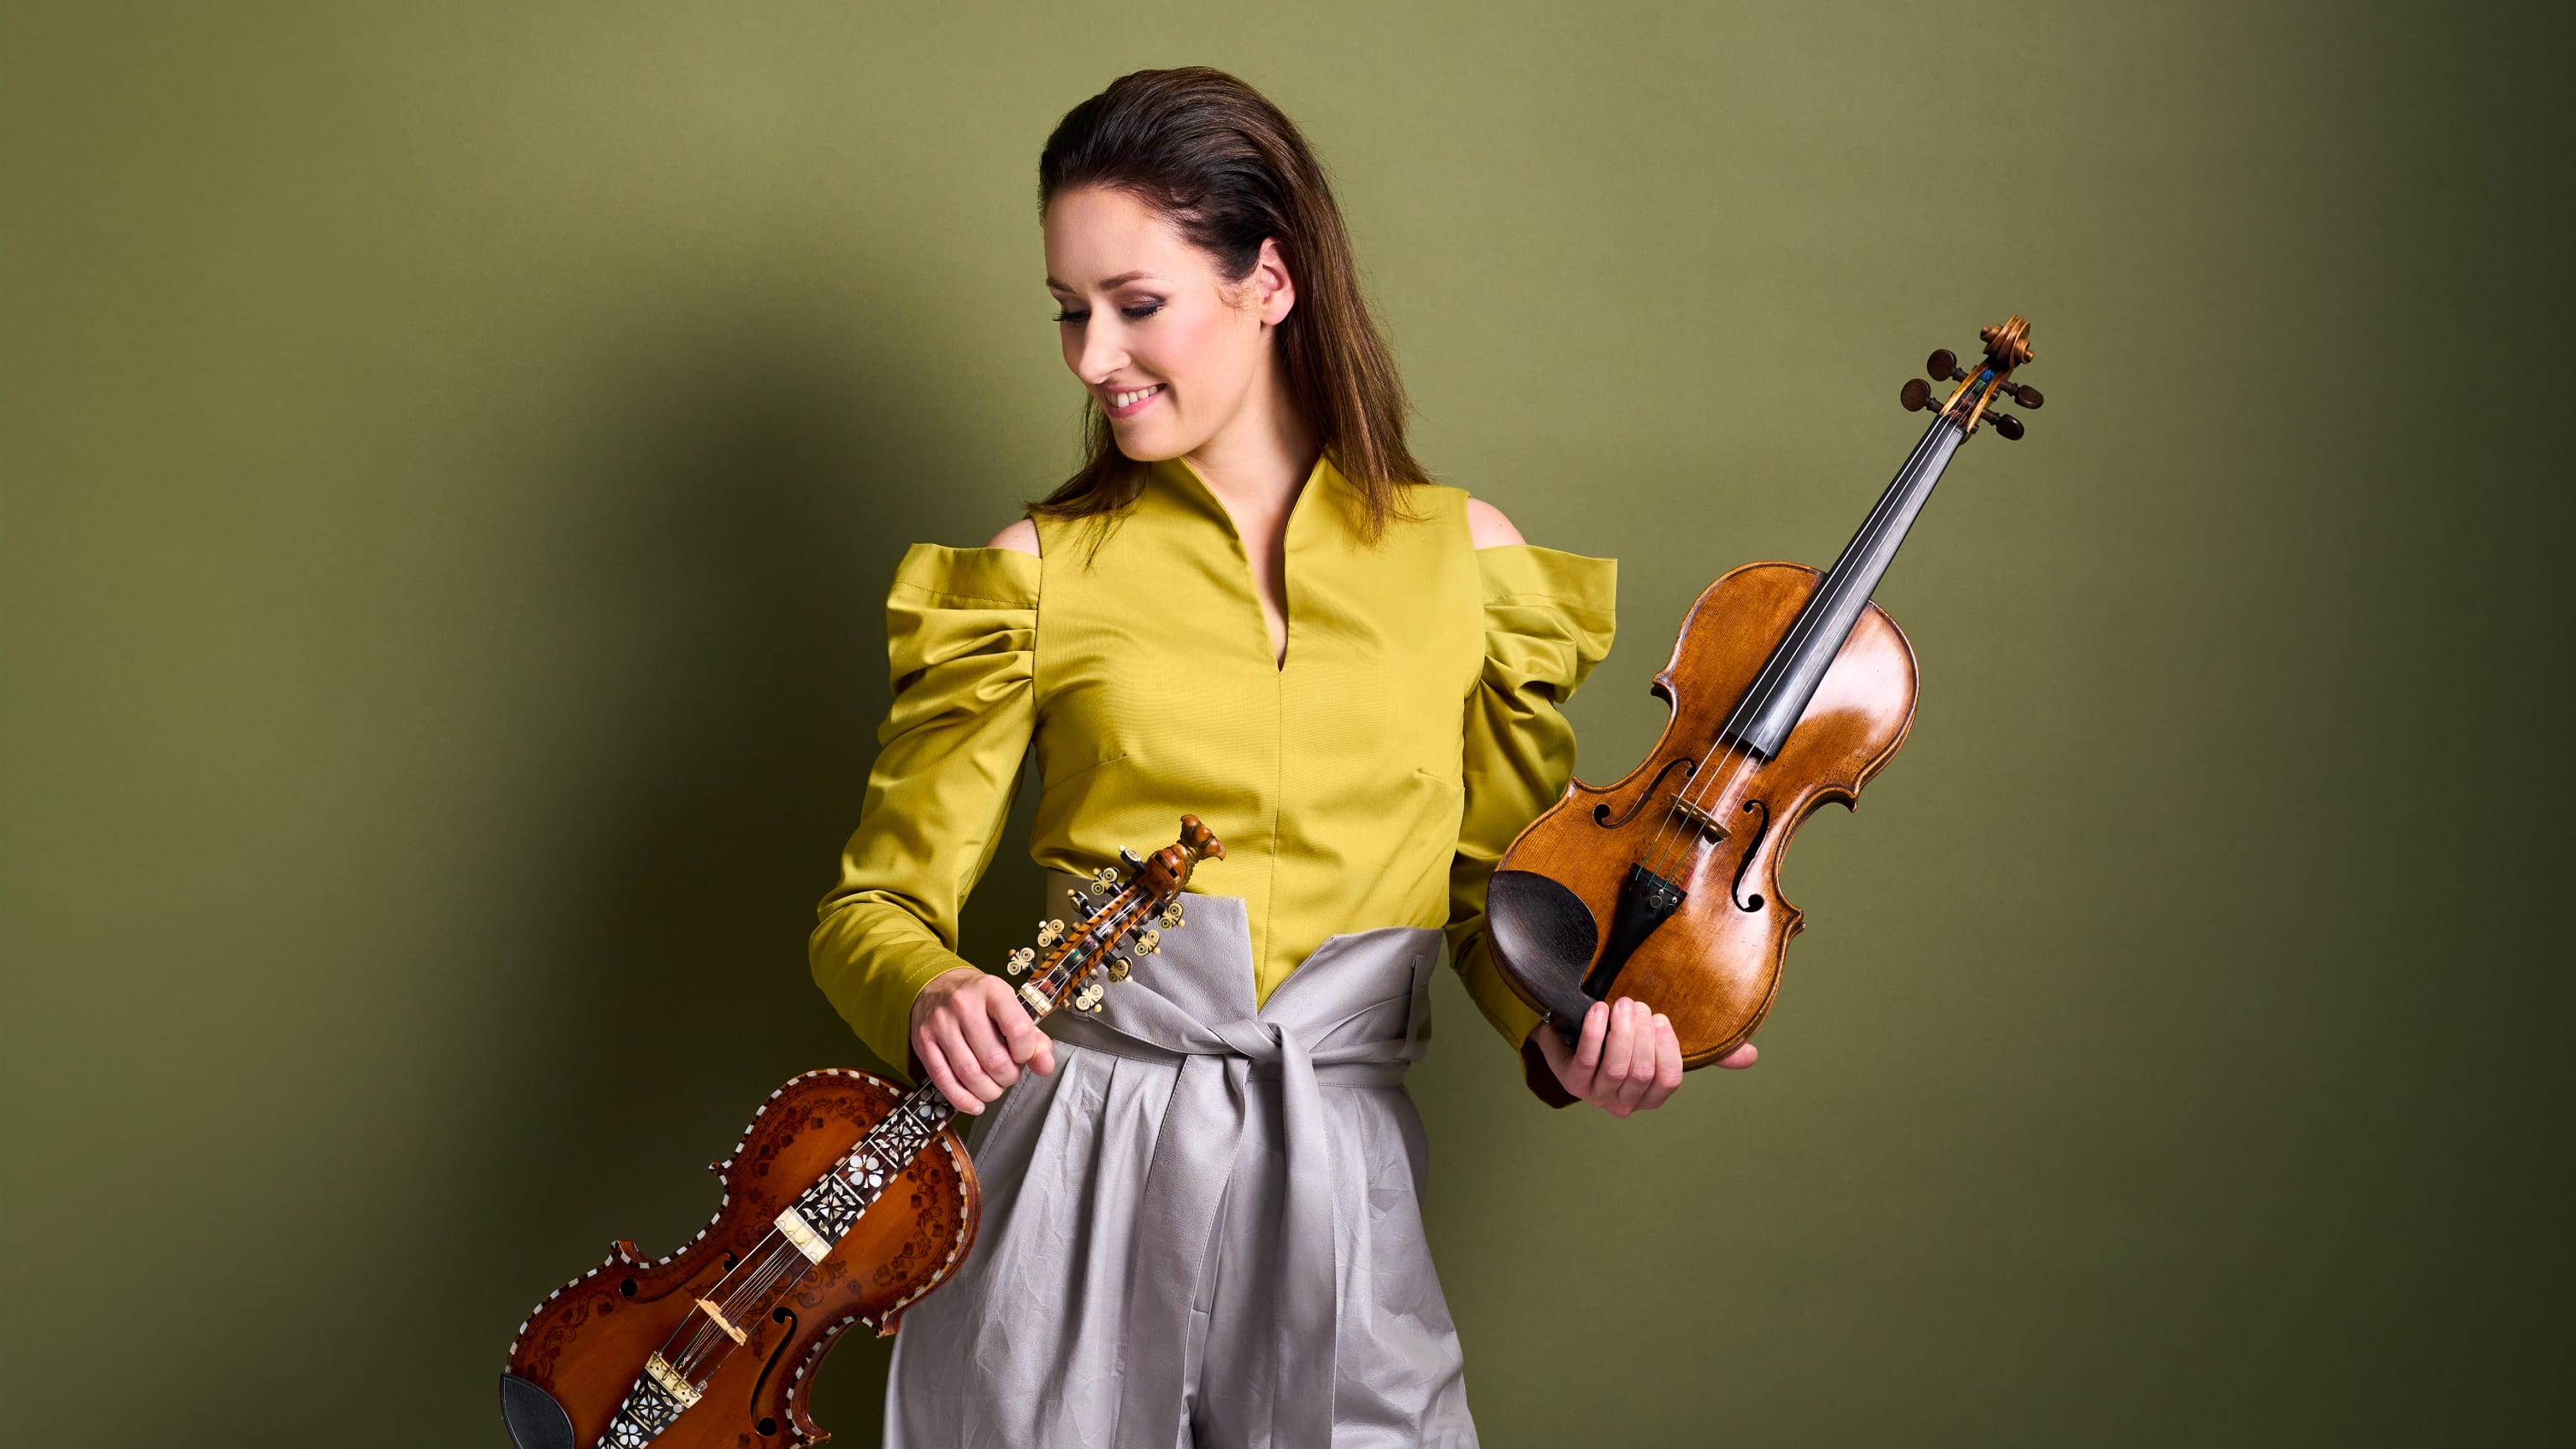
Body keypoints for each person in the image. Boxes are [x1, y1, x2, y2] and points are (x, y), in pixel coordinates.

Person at [809, 66, 1755, 1449]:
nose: (1091, 358)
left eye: (1136, 306)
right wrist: (931, 987)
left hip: (1339, 1182)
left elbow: (1508, 907)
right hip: (1075, 1171)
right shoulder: (1029, 579)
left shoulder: (1470, 570)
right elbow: (869, 911)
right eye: (1072, 312)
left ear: (1270, 280)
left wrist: (1577, 1031)